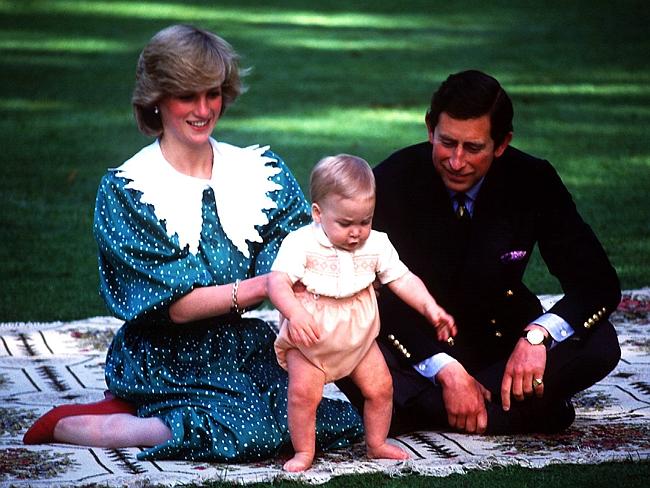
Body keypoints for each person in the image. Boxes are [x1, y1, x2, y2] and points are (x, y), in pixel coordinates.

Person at [23, 24, 363, 462]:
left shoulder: (260, 173)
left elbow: (303, 251)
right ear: (156, 100)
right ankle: (128, 424)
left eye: (212, 93)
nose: (203, 109)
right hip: (164, 354)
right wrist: (264, 288)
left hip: (239, 343)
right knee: (250, 428)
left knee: (328, 418)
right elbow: (175, 306)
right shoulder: (129, 190)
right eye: (187, 96)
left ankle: (174, 414)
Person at [338, 70, 621, 436]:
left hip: (499, 345)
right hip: (415, 349)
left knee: (601, 342)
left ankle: (437, 412)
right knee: (339, 333)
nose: (456, 161)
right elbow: (365, 291)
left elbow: (597, 283)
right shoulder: (390, 181)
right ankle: (524, 412)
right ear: (430, 130)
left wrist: (538, 336)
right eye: (447, 143)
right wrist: (444, 369)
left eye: (473, 148)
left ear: (501, 144)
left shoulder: (533, 180)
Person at [268, 154, 456, 471]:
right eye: (345, 223)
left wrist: (430, 307)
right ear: (318, 213)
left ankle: (377, 443)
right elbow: (277, 282)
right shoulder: (301, 243)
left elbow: (402, 278)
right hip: (311, 335)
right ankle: (304, 451)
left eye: (364, 221)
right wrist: (294, 314)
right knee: (303, 396)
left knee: (381, 389)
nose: (356, 232)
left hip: (359, 338)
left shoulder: (377, 244)